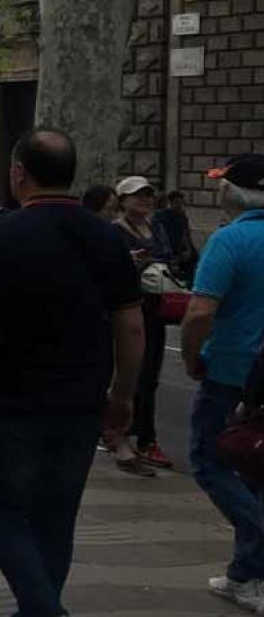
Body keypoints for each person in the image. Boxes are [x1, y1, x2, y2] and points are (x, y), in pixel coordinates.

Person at [0, 129, 144, 617]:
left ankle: (43, 611)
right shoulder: (106, 236)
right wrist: (123, 396)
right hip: (81, 402)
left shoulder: (0, 234)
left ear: (18, 174)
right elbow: (131, 327)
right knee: (55, 519)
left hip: (8, 403)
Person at [180, 153, 264, 612]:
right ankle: (243, 576)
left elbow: (199, 313)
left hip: (231, 374)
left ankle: (257, 548)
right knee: (255, 470)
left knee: (209, 461)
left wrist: (194, 358)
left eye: (222, 183)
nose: (218, 190)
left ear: (234, 191)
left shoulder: (230, 241)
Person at [110, 175, 171, 475]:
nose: (145, 199)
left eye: (148, 194)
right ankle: (121, 436)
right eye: (137, 195)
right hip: (126, 309)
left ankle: (146, 438)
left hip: (154, 309)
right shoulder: (115, 232)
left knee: (150, 377)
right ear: (122, 201)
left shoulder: (155, 226)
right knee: (128, 374)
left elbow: (169, 257)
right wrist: (130, 262)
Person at [153, 188, 199, 280]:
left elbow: (185, 233)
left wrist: (188, 249)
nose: (179, 205)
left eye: (181, 203)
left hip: (180, 250)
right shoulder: (161, 216)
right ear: (170, 202)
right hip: (168, 250)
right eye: (177, 202)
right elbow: (160, 235)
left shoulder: (182, 216)